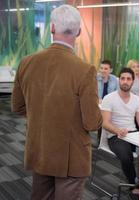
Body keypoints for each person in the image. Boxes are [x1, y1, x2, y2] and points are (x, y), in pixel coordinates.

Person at [11, 5, 103, 200]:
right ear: (78, 31)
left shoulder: (26, 62)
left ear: (52, 28)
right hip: (71, 158)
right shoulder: (84, 70)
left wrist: (43, 114)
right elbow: (92, 123)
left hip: (40, 148)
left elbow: (17, 106)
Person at [101, 67, 139, 199]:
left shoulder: (136, 99)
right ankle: (134, 184)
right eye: (122, 78)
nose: (125, 81)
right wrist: (118, 130)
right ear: (119, 80)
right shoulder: (109, 98)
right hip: (115, 136)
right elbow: (105, 123)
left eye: (128, 79)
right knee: (126, 157)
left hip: (134, 135)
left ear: (132, 82)